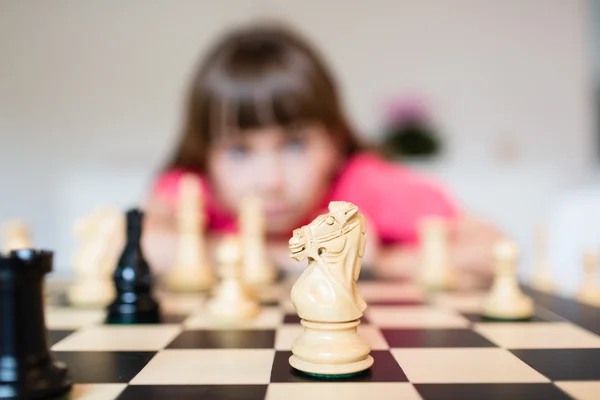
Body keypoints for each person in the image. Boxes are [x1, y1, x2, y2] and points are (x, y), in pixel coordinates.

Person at [142, 21, 501, 286]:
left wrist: (387, 261)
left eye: (295, 144)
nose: (271, 181)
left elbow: (492, 249)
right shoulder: (194, 189)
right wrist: (302, 258)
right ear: (204, 154)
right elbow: (137, 247)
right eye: (239, 151)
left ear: (335, 141)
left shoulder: (364, 185)